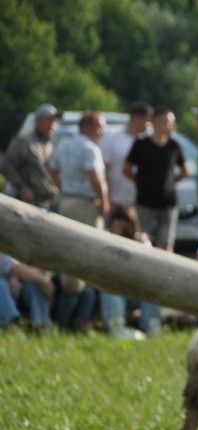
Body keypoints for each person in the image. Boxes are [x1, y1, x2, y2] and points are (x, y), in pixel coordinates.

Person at [48, 111, 110, 298]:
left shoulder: (64, 146)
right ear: (87, 127)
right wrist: (104, 201)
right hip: (85, 204)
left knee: (67, 251)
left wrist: (64, 188)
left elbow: (52, 170)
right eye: (100, 127)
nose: (102, 132)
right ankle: (80, 301)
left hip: (67, 201)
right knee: (88, 253)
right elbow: (94, 177)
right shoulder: (90, 148)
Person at [124, 107, 188, 251]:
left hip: (168, 203)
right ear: (155, 122)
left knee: (166, 243)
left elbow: (185, 171)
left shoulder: (174, 146)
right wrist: (141, 181)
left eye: (171, 122)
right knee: (142, 240)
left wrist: (170, 182)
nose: (169, 125)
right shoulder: (141, 144)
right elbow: (126, 169)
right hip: (145, 202)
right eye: (166, 121)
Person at [99, 207, 162, 338]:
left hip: (134, 292)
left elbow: (150, 267)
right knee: (110, 287)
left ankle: (151, 326)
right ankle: (116, 328)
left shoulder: (139, 241)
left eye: (124, 223)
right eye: (116, 222)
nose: (119, 226)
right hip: (113, 293)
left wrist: (143, 245)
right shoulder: (105, 239)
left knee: (152, 288)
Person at [0, 103, 61, 208]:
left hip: (43, 201)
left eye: (54, 121)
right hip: (22, 200)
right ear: (38, 121)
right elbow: (6, 166)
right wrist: (22, 187)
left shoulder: (49, 145)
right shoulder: (24, 141)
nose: (52, 124)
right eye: (48, 120)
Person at [100, 103, 152, 220]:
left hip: (139, 202)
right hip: (115, 198)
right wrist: (107, 198)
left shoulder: (148, 141)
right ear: (137, 119)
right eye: (147, 121)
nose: (149, 125)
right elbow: (103, 168)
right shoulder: (113, 137)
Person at [0, 252, 53, 331]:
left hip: (20, 285)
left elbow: (38, 266)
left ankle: (41, 324)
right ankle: (11, 324)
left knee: (33, 285)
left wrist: (14, 276)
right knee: (1, 285)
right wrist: (43, 281)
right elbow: (7, 265)